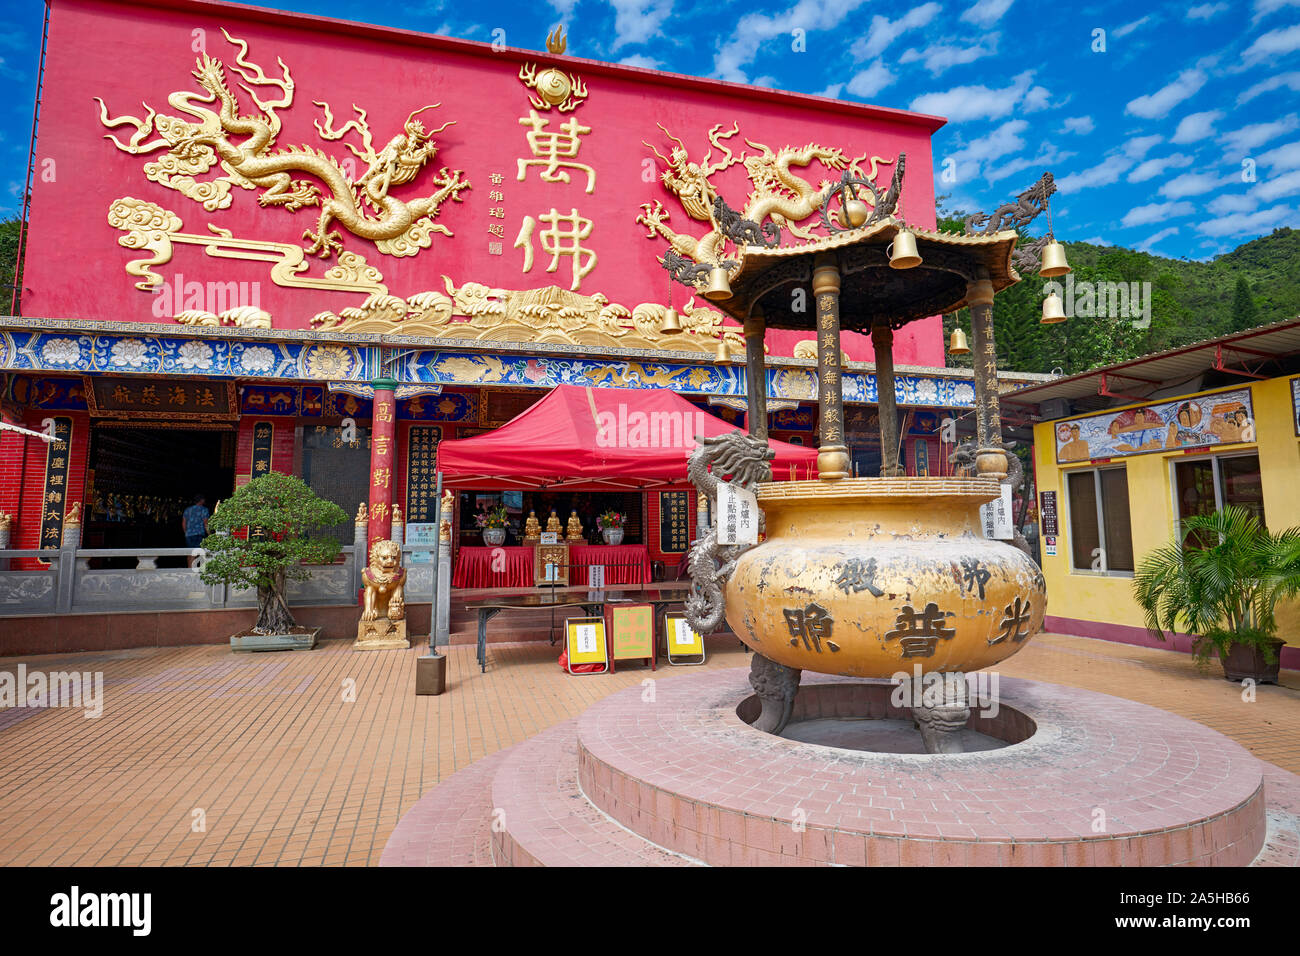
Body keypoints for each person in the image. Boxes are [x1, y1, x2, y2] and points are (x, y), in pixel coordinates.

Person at [182, 494, 210, 566]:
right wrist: (209, 533)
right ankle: (193, 571)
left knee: (190, 552)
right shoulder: (204, 510)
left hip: (189, 534)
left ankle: (189, 569)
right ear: (202, 500)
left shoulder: (188, 510)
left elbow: (184, 522)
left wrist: (186, 532)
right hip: (199, 534)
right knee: (196, 553)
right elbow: (205, 523)